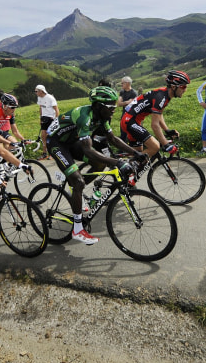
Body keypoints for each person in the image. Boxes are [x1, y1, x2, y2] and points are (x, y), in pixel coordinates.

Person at [48, 86, 146, 244]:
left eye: (115, 105)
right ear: (99, 106)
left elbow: (114, 139)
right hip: (57, 144)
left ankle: (75, 188)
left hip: (72, 142)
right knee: (79, 181)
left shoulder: (102, 116)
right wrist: (118, 162)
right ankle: (77, 229)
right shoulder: (84, 117)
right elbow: (87, 150)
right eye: (111, 106)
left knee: (99, 164)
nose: (115, 109)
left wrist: (135, 153)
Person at [120, 70, 191, 159]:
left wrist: (167, 130)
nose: (185, 90)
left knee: (138, 153)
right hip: (129, 121)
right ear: (173, 87)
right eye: (183, 87)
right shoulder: (161, 97)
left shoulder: (165, 95)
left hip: (131, 121)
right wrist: (165, 144)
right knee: (155, 147)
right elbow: (154, 125)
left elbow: (159, 115)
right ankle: (125, 167)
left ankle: (128, 170)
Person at [35, 85, 58, 160]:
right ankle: (44, 153)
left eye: (36, 91)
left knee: (50, 137)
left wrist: (55, 120)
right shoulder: (39, 98)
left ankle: (52, 154)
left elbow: (56, 109)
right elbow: (41, 108)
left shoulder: (50, 98)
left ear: (41, 91)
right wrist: (40, 118)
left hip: (51, 118)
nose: (35, 93)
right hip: (44, 118)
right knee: (43, 136)